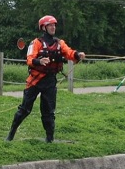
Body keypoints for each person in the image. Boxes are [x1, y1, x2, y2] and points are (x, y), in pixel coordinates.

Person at [5, 15, 85, 143]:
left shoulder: (60, 43)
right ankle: (10, 135)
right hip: (35, 80)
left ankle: (49, 139)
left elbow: (69, 53)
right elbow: (29, 59)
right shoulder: (36, 43)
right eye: (50, 25)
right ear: (43, 27)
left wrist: (77, 54)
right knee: (24, 109)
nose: (53, 27)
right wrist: (39, 61)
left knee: (48, 112)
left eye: (54, 25)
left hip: (50, 82)